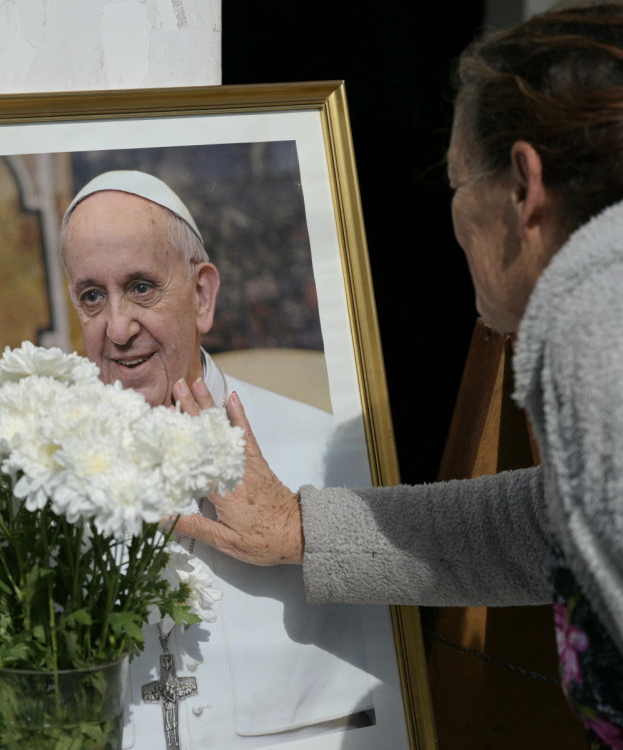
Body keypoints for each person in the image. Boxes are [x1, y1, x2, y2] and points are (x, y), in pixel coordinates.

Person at [173, 3, 623, 749]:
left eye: (459, 185)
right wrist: (303, 529)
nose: (455, 221)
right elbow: (574, 521)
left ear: (524, 185)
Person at [60, 170, 394, 749]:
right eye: (93, 296)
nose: (117, 328)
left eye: (141, 287)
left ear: (202, 296)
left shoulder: (330, 450)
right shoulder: (45, 477)